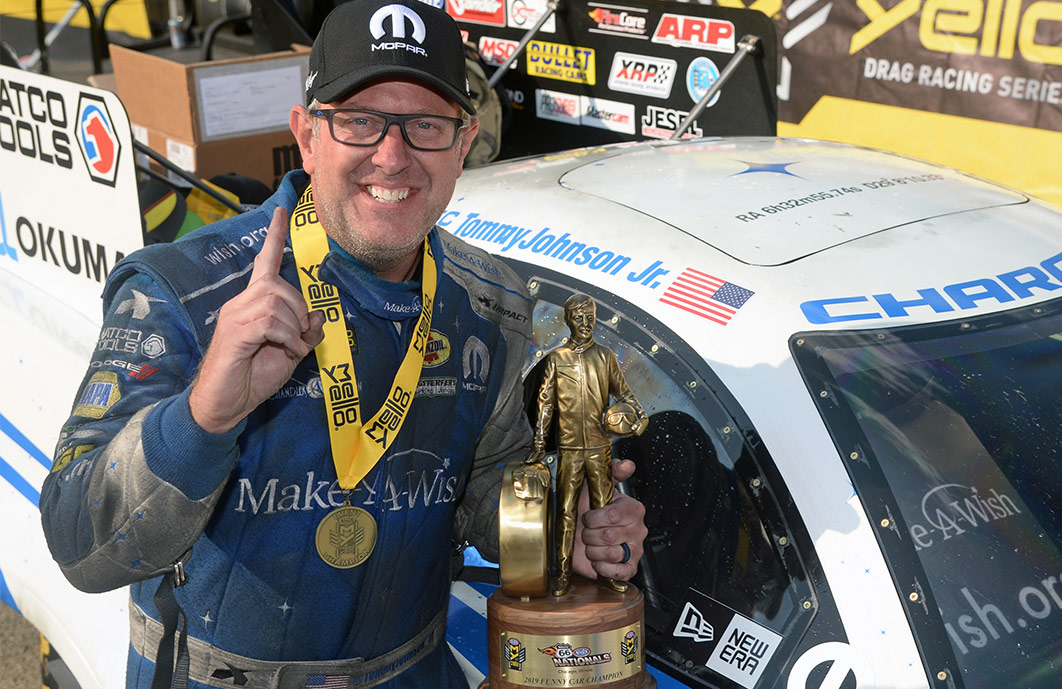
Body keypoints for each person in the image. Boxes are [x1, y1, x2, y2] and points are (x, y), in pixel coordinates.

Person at [38, 1, 646, 687]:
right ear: (306, 136)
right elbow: (78, 544)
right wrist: (204, 414)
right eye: (359, 121)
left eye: (424, 125)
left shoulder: (489, 301)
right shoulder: (184, 291)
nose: (393, 156)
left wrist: (565, 532)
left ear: (463, 140)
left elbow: (484, 493)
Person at [526, 294, 648, 596]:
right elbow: (545, 404)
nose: (585, 323)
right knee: (566, 513)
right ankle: (563, 574)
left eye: (590, 317)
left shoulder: (605, 356)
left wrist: (639, 420)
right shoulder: (556, 359)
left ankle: (604, 575)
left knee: (600, 510)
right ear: (568, 320)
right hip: (568, 450)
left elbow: (626, 394)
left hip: (599, 449)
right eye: (578, 317)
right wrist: (540, 444)